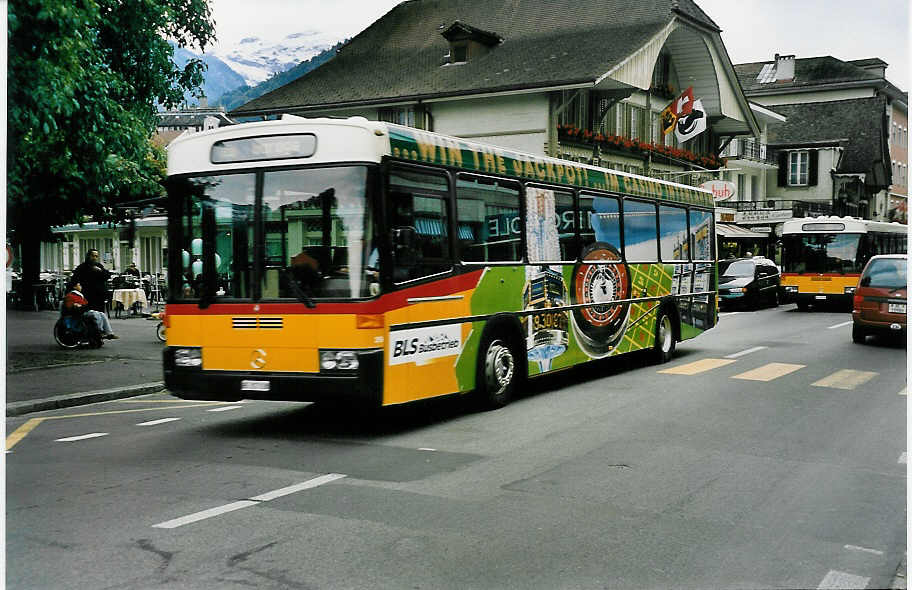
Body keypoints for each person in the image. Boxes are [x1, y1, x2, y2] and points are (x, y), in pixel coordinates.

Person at [72, 249, 111, 313]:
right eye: (93, 256)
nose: (94, 258)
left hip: (99, 296)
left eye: (96, 256)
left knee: (99, 315)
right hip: (87, 295)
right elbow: (74, 280)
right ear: (88, 256)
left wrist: (100, 271)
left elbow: (107, 276)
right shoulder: (82, 267)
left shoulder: (99, 266)